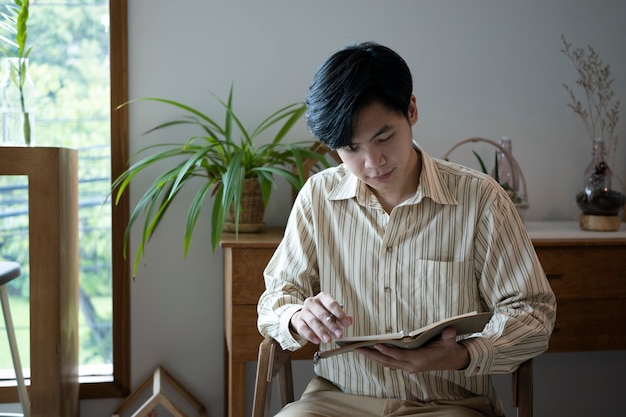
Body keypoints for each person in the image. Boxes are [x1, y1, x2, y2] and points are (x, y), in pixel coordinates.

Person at [257, 41, 556, 417]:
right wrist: (297, 317)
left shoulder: (481, 199)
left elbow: (533, 312)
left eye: (384, 138)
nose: (372, 162)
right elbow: (275, 299)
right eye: (351, 149)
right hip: (336, 401)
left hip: (449, 404)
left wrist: (463, 354)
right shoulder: (319, 196)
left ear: (411, 110)